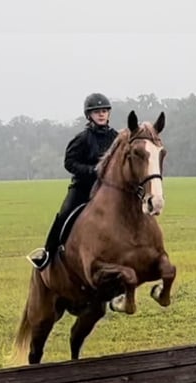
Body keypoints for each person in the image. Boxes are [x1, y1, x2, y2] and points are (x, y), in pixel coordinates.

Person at [26, 92, 119, 270]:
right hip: (83, 188)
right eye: (97, 111)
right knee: (64, 214)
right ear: (89, 115)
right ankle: (47, 253)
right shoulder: (82, 138)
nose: (101, 114)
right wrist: (92, 171)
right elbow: (69, 162)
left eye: (104, 111)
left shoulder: (116, 138)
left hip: (108, 190)